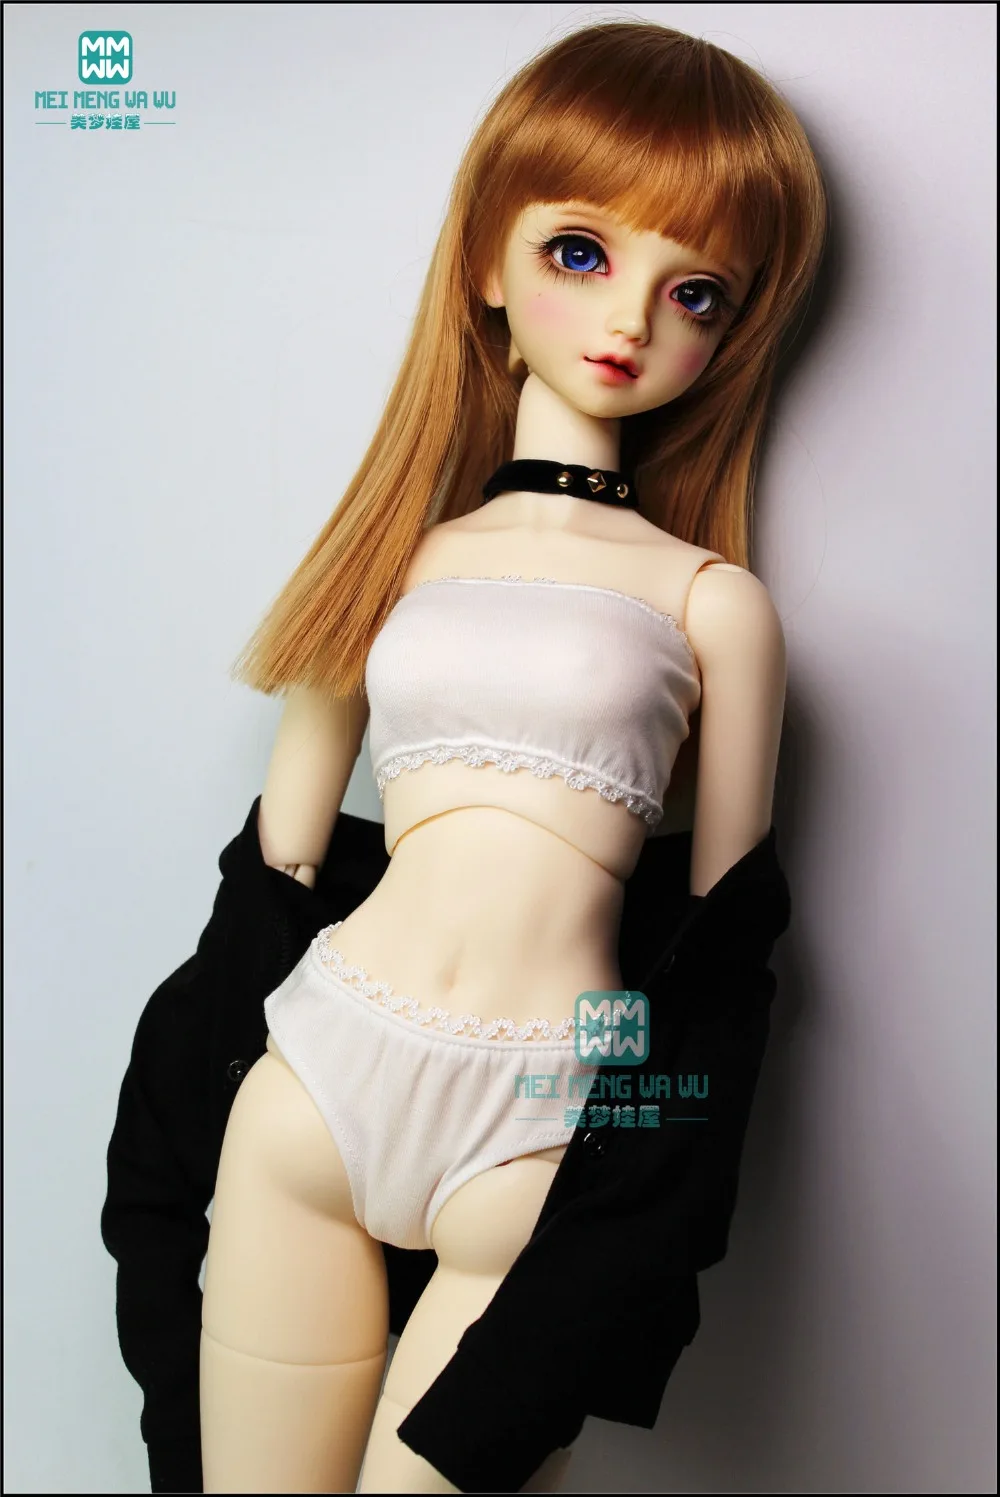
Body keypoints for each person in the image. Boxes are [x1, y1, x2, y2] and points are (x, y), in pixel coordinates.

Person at [109, 19, 826, 1494]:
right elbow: (280, 866)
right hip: (321, 1077)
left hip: (537, 1117)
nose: (630, 318)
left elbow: (712, 956)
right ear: (489, 262)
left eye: (693, 291)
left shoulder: (713, 603)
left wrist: (618, 1147)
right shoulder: (396, 556)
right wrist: (187, 1112)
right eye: (581, 252)